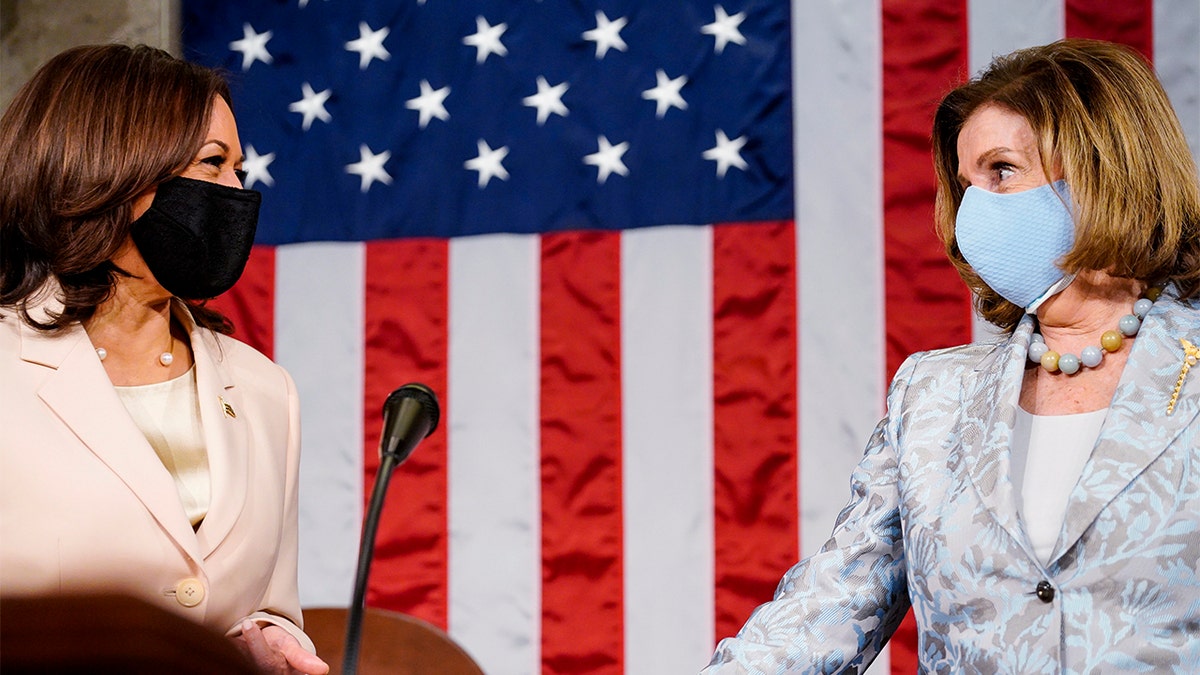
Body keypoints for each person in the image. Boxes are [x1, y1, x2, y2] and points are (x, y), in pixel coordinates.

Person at [704, 38, 1200, 673]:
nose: (975, 212)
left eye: (1001, 170)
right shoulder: (932, 394)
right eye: (966, 185)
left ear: (1104, 169)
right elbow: (829, 607)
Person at [0, 44, 329, 675]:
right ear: (110, 169)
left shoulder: (265, 390)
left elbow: (269, 608)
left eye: (238, 169)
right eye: (212, 165)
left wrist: (270, 640)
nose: (236, 193)